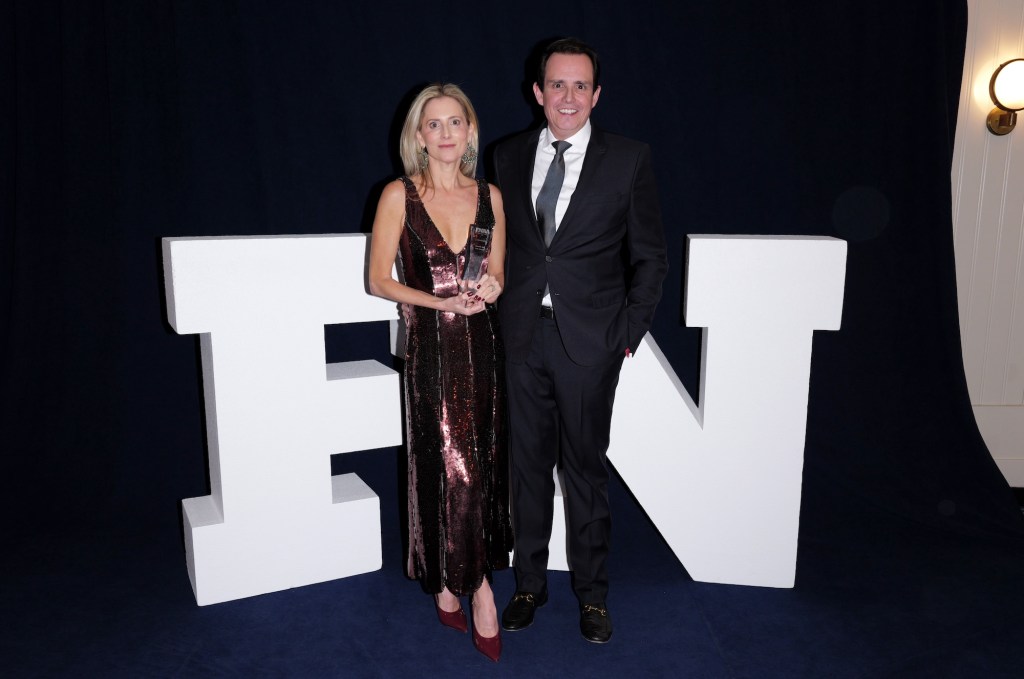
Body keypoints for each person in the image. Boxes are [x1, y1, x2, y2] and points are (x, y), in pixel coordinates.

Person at [494, 38, 668, 644]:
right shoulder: (507, 156)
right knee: (526, 471)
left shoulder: (629, 159)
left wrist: (628, 332)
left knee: (586, 471)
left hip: (591, 344)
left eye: (580, 86)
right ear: (537, 92)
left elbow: (650, 257)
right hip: (520, 338)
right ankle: (529, 586)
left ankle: (592, 597)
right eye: (556, 85)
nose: (567, 97)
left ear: (596, 95)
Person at [367, 83, 512, 662]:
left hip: (484, 351)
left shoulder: (490, 197)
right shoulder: (398, 196)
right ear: (419, 135)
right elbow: (379, 280)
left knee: (480, 467)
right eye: (435, 124)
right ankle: (478, 590)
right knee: (447, 469)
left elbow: (498, 273)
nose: (447, 133)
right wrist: (441, 303)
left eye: (457, 122)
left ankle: (454, 584)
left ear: (470, 131)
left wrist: (491, 287)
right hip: (430, 353)